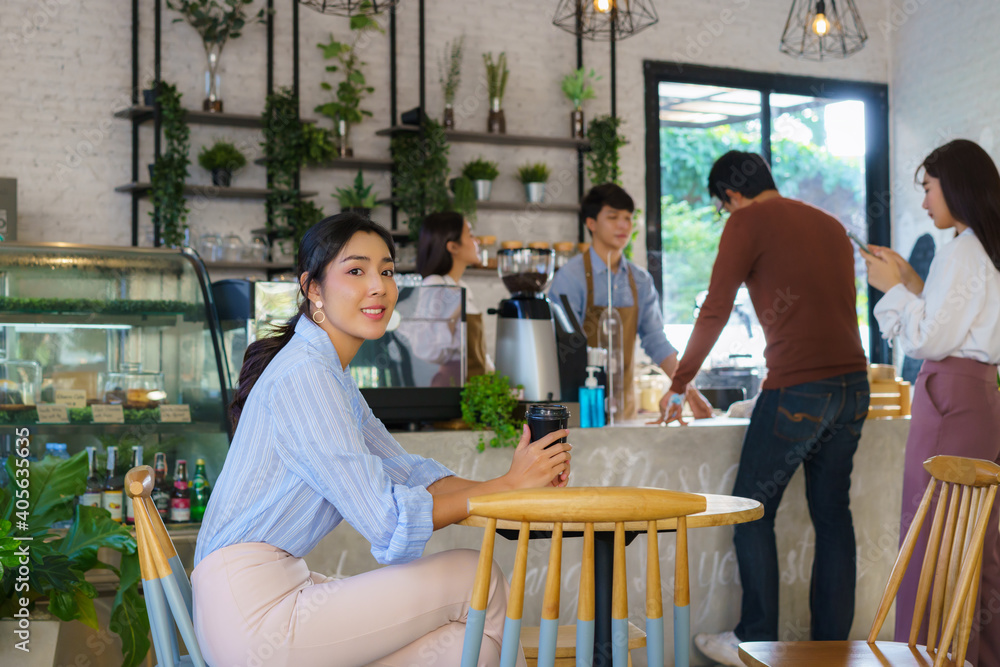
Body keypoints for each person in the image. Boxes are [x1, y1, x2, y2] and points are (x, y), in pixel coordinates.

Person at [191, 213, 572, 667]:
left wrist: (510, 486)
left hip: (265, 600)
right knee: (478, 575)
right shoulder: (306, 375)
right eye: (356, 271)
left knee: (462, 650)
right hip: (252, 616)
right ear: (313, 288)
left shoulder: (329, 373)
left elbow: (410, 474)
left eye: (387, 271)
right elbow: (386, 519)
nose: (378, 286)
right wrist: (504, 490)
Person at [656, 151, 870, 665]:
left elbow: (714, 308)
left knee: (750, 510)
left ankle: (755, 642)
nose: (726, 215)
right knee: (833, 516)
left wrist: (679, 384)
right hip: (853, 387)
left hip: (800, 389)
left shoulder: (746, 221)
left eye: (722, 207)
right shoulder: (830, 223)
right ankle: (830, 651)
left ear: (730, 195)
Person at [865, 139, 1000, 667]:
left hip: (950, 393)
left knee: (931, 539)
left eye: (928, 189)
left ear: (955, 186)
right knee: (975, 541)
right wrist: (911, 282)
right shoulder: (984, 246)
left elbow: (928, 341)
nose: (924, 203)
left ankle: (925, 657)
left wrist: (890, 290)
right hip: (976, 394)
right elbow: (954, 320)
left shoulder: (963, 249)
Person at [549, 183, 685, 420]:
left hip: (625, 410)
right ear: (591, 223)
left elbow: (655, 340)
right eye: (613, 217)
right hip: (579, 411)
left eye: (628, 218)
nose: (624, 225)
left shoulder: (640, 280)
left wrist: (686, 388)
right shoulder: (570, 278)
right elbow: (559, 347)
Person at [414, 211, 494, 386]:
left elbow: (477, 352)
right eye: (471, 235)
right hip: (452, 387)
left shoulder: (462, 287)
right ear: (453, 247)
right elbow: (429, 348)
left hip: (473, 386)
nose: (477, 241)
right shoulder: (436, 285)